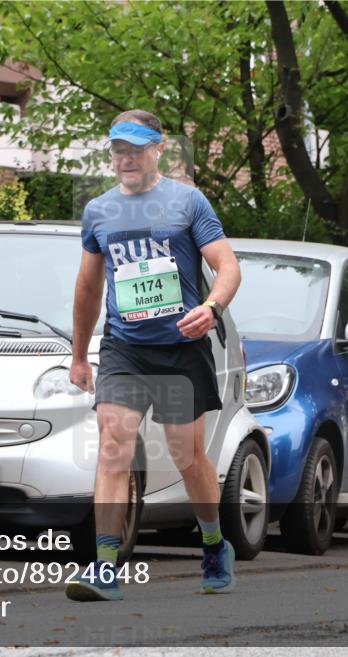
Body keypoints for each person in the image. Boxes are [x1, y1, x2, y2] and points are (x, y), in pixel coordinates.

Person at [64, 110, 242, 602]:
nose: (126, 159)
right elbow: (87, 287)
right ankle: (104, 565)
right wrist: (80, 355)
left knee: (188, 457)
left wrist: (211, 307)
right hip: (125, 349)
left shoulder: (188, 201)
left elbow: (227, 266)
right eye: (118, 150)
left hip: (181, 349)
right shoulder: (99, 211)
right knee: (114, 446)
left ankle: (213, 543)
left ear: (159, 149)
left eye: (136, 150)